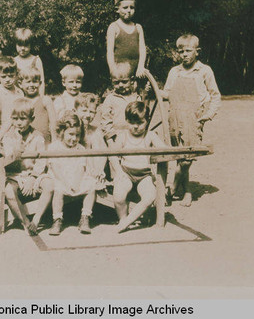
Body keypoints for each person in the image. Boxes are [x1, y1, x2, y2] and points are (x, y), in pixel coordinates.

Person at [160, 34, 221, 206]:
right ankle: (187, 192)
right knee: (180, 157)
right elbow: (167, 94)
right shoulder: (174, 71)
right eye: (181, 51)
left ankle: (171, 188)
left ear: (197, 52)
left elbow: (215, 95)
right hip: (175, 118)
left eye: (188, 51)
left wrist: (208, 115)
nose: (184, 54)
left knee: (187, 158)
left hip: (193, 119)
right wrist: (155, 91)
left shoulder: (204, 71)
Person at [109, 101, 166, 233]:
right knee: (118, 196)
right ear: (126, 121)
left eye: (140, 123)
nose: (135, 126)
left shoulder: (150, 135)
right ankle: (122, 218)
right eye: (131, 122)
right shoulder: (123, 136)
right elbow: (112, 155)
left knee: (150, 196)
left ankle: (127, 222)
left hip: (144, 174)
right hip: (126, 172)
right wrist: (118, 172)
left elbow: (164, 149)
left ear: (147, 121)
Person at [0, 98, 54, 235]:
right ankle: (25, 221)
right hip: (16, 174)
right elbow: (8, 161)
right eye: (15, 119)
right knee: (8, 191)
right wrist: (15, 150)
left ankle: (36, 219)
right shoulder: (9, 137)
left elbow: (41, 160)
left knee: (49, 185)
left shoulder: (38, 137)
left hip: (34, 174)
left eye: (23, 119)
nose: (19, 123)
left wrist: (33, 177)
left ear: (31, 119)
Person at [48, 111, 97, 235]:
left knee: (91, 185)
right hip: (60, 178)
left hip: (76, 178)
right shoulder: (54, 147)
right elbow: (55, 168)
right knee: (58, 189)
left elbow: (81, 167)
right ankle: (57, 219)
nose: (74, 138)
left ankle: (85, 217)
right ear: (61, 132)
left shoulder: (80, 148)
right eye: (70, 134)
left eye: (77, 135)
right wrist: (66, 182)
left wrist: (76, 183)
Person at [106, 0, 146, 79]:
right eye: (125, 7)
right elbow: (110, 52)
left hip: (136, 71)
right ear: (117, 9)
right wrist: (113, 70)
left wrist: (141, 67)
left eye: (132, 7)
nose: (129, 10)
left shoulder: (138, 27)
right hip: (120, 72)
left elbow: (142, 49)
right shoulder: (114, 27)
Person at [100, 62, 140, 144]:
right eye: (116, 82)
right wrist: (110, 139)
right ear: (112, 82)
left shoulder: (136, 98)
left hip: (135, 136)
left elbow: (142, 115)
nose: (120, 85)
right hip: (116, 137)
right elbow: (105, 120)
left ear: (131, 80)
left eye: (124, 82)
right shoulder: (110, 99)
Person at [73, 92, 107, 190]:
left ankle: (97, 176)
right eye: (84, 110)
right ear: (75, 111)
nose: (88, 115)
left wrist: (99, 169)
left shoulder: (96, 130)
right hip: (76, 168)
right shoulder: (72, 129)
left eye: (91, 112)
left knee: (96, 138)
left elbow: (103, 152)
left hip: (94, 169)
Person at [0, 56, 23, 144]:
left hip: (19, 130)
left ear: (16, 75)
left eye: (11, 76)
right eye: (3, 76)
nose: (7, 80)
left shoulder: (20, 92)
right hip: (3, 134)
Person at [19, 67, 56, 144]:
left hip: (45, 141)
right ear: (20, 84)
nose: (31, 85)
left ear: (40, 83)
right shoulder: (21, 102)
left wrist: (54, 140)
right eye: (28, 82)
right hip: (26, 141)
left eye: (34, 82)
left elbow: (53, 122)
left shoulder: (45, 100)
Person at [13, 28, 46, 95]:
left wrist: (40, 99)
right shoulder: (13, 61)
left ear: (30, 45)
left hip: (33, 96)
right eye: (19, 45)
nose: (22, 48)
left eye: (26, 45)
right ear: (16, 44)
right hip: (17, 96)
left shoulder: (36, 60)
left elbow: (41, 81)